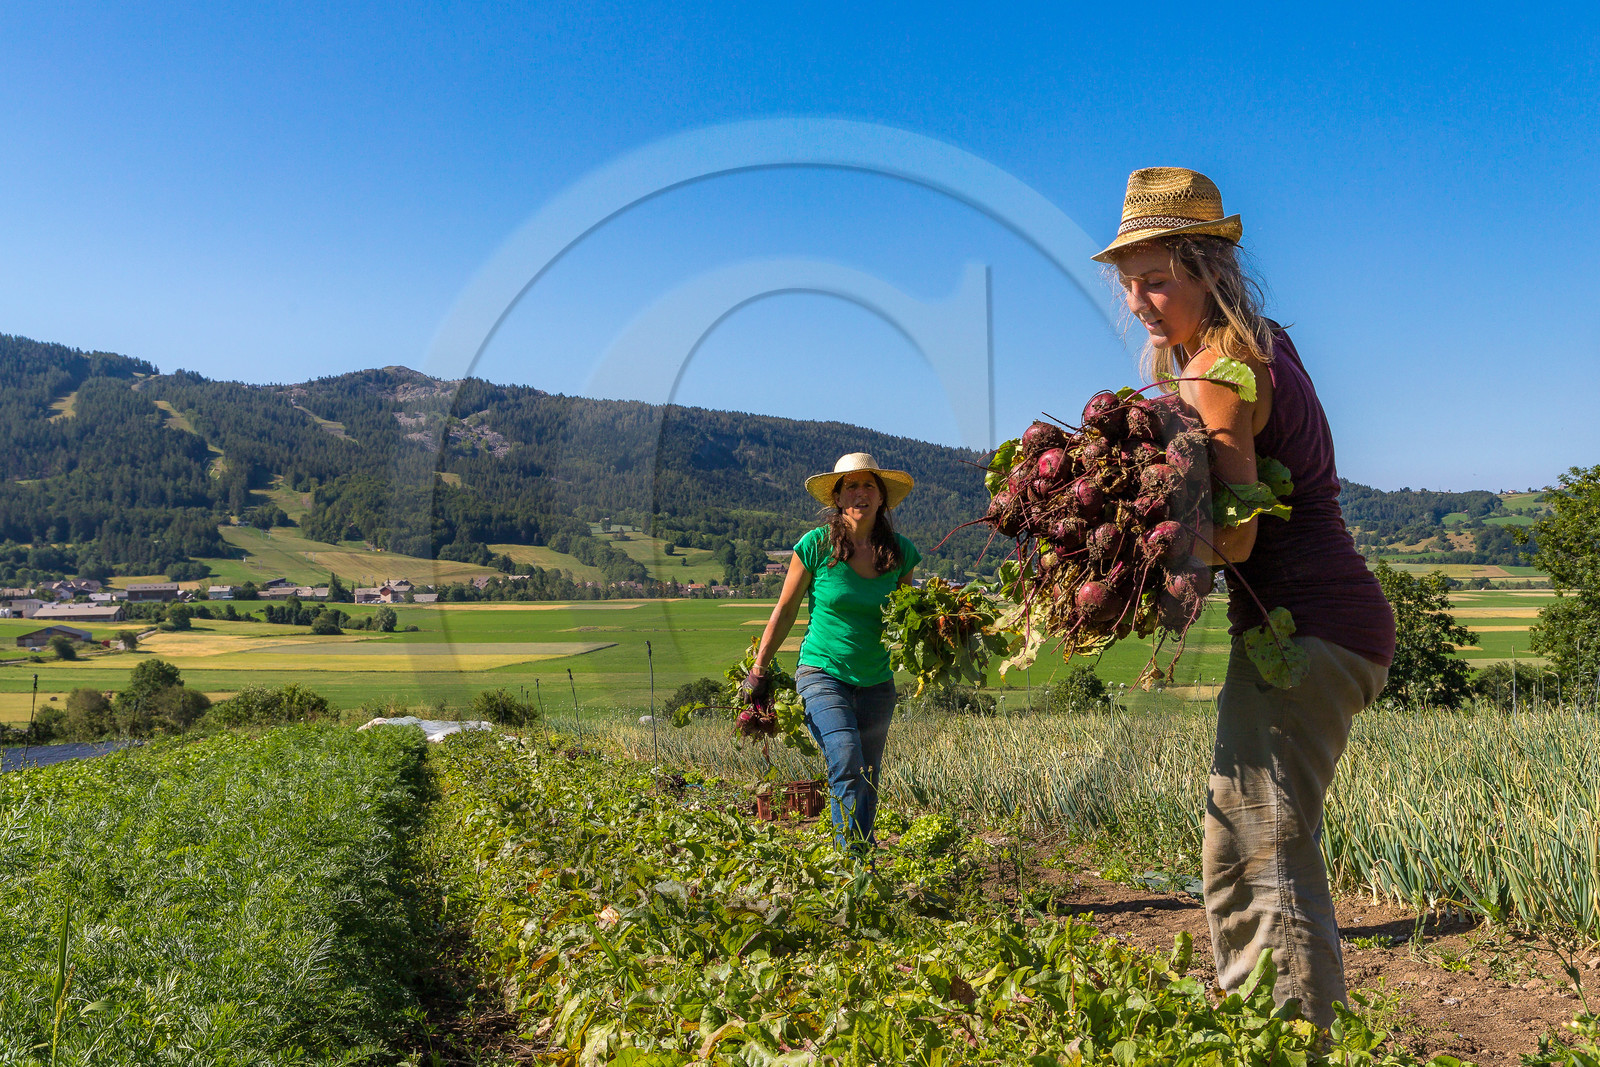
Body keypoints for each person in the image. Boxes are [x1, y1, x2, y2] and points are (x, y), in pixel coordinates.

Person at [1092, 168, 1396, 1029]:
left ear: (1205, 268)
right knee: (1250, 840)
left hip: (1304, 630)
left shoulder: (1217, 371)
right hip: (1330, 622)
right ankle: (1265, 1021)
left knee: (1258, 849)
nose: (1142, 299)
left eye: (1157, 278)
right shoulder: (1262, 342)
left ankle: (1293, 1041)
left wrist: (1153, 546)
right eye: (1129, 281)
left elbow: (1237, 538)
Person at [740, 452, 920, 851]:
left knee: (867, 774)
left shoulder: (901, 553)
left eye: (868, 485)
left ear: (881, 497)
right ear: (837, 498)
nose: (860, 493)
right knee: (848, 762)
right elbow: (785, 610)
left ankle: (861, 858)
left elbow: (907, 618)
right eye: (850, 486)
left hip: (877, 682)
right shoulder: (816, 546)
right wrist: (759, 670)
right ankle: (850, 867)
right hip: (822, 673)